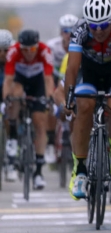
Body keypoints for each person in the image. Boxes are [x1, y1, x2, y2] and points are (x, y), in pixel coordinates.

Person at [63, 0, 111, 200]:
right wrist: (69, 98)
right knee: (84, 106)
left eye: (103, 25)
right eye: (93, 26)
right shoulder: (79, 29)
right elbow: (72, 68)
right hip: (89, 73)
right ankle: (81, 170)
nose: (98, 31)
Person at [2, 30, 56, 188]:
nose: (28, 53)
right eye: (24, 49)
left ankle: (38, 172)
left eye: (32, 49)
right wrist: (6, 99)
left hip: (38, 82)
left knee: (40, 122)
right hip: (20, 80)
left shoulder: (45, 51)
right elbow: (8, 80)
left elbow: (48, 79)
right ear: (20, 47)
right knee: (15, 94)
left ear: (37, 46)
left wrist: (49, 98)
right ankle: (13, 135)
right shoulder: (13, 51)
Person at [44, 14, 78, 164]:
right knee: (51, 105)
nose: (69, 34)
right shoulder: (52, 47)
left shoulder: (81, 45)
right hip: (54, 77)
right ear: (60, 32)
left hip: (73, 78)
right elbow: (46, 73)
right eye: (65, 31)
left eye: (72, 31)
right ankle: (51, 142)